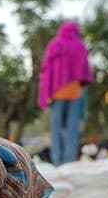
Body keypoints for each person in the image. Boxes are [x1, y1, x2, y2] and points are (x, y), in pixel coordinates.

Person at [38, 21, 93, 166]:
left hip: (57, 93)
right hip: (75, 92)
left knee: (56, 128)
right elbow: (84, 70)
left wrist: (47, 88)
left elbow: (46, 68)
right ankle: (68, 161)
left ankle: (57, 160)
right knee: (72, 128)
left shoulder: (55, 45)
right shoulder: (80, 46)